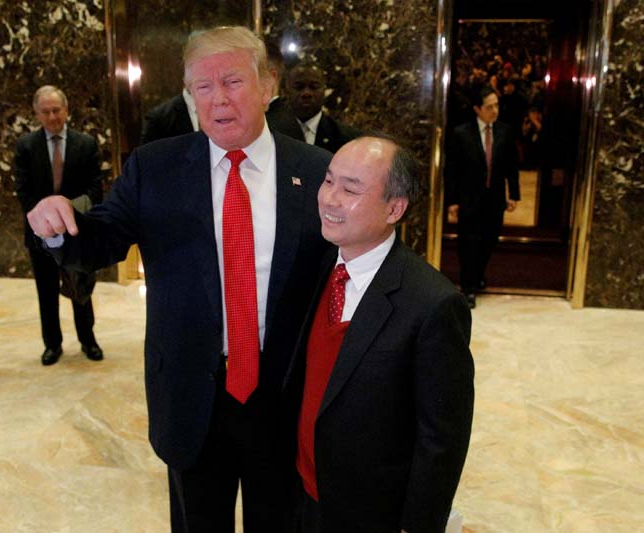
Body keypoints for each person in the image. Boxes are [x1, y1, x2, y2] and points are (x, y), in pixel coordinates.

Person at [27, 26, 333, 532]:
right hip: (193, 396)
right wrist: (60, 225)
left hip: (282, 398)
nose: (218, 100)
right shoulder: (156, 167)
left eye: (232, 81)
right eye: (202, 87)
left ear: (268, 84)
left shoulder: (316, 169)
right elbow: (100, 240)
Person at [284, 136, 474, 533]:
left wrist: (418, 524)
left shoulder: (432, 304)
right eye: (328, 181)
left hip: (370, 512)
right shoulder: (318, 266)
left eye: (351, 189)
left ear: (395, 208)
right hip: (303, 496)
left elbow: (441, 438)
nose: (330, 199)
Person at [14, 85, 105, 366]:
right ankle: (52, 344)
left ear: (66, 110)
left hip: (76, 232)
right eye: (46, 111)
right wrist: (46, 219)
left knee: (81, 290)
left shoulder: (86, 144)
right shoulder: (26, 146)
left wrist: (66, 213)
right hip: (40, 235)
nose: (53, 116)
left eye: (57, 110)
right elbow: (24, 191)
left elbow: (95, 190)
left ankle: (88, 340)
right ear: (37, 114)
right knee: (46, 291)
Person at [446, 85, 520, 308]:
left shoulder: (505, 132)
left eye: (497, 105)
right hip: (469, 199)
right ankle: (468, 287)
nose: (494, 111)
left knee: (489, 240)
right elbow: (452, 171)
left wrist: (514, 194)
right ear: (477, 109)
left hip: (495, 198)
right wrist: (452, 201)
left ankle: (477, 274)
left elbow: (512, 166)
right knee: (468, 242)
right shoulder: (461, 134)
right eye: (490, 107)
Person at [268, 62, 359, 154]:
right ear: (286, 91)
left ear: (324, 90)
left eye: (314, 87)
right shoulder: (270, 131)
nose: (306, 93)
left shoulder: (344, 137)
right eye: (299, 87)